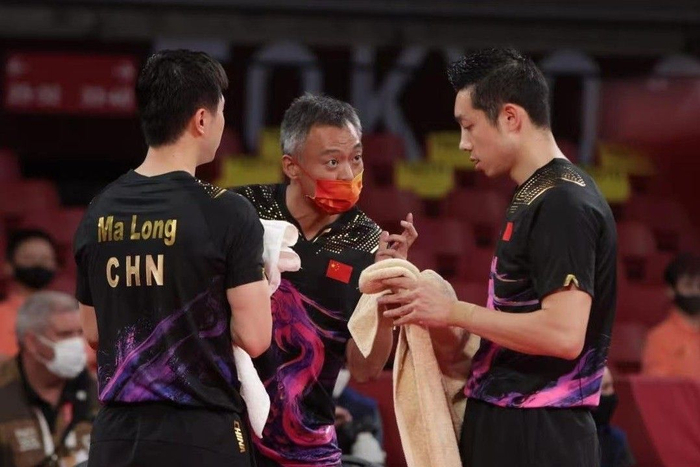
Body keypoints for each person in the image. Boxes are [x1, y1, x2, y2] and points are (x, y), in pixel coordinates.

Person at [379, 48, 617, 467]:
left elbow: (563, 335)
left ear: (510, 118)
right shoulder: (535, 193)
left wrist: (453, 311)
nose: (463, 143)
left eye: (468, 126)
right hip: (510, 422)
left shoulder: (563, 203)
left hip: (538, 431)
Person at [73, 49, 272, 467]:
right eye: (221, 112)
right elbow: (255, 337)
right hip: (199, 435)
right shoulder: (228, 211)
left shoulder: (99, 209)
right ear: (201, 120)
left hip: (115, 437)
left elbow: (94, 332)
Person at [232, 94, 416, 467]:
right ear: (292, 166)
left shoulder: (368, 243)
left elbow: (363, 369)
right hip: (232, 435)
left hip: (309, 444)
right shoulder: (243, 213)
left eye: (356, 158)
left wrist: (383, 296)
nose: (348, 174)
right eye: (332, 162)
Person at [0, 291, 98, 467]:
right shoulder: (4, 394)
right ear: (31, 342)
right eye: (65, 334)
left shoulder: (101, 393)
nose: (77, 343)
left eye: (79, 333)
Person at [0, 229, 59, 358]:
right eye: (29, 258)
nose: (38, 263)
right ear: (8, 266)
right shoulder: (2, 316)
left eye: (45, 259)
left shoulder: (72, 315)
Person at [642, 252, 700, 379]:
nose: (696, 291)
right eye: (688, 285)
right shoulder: (659, 338)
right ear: (671, 290)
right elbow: (658, 386)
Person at [593, 366, 635, 467]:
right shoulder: (568, 441)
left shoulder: (616, 439)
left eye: (611, 386)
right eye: (605, 387)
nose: (611, 393)